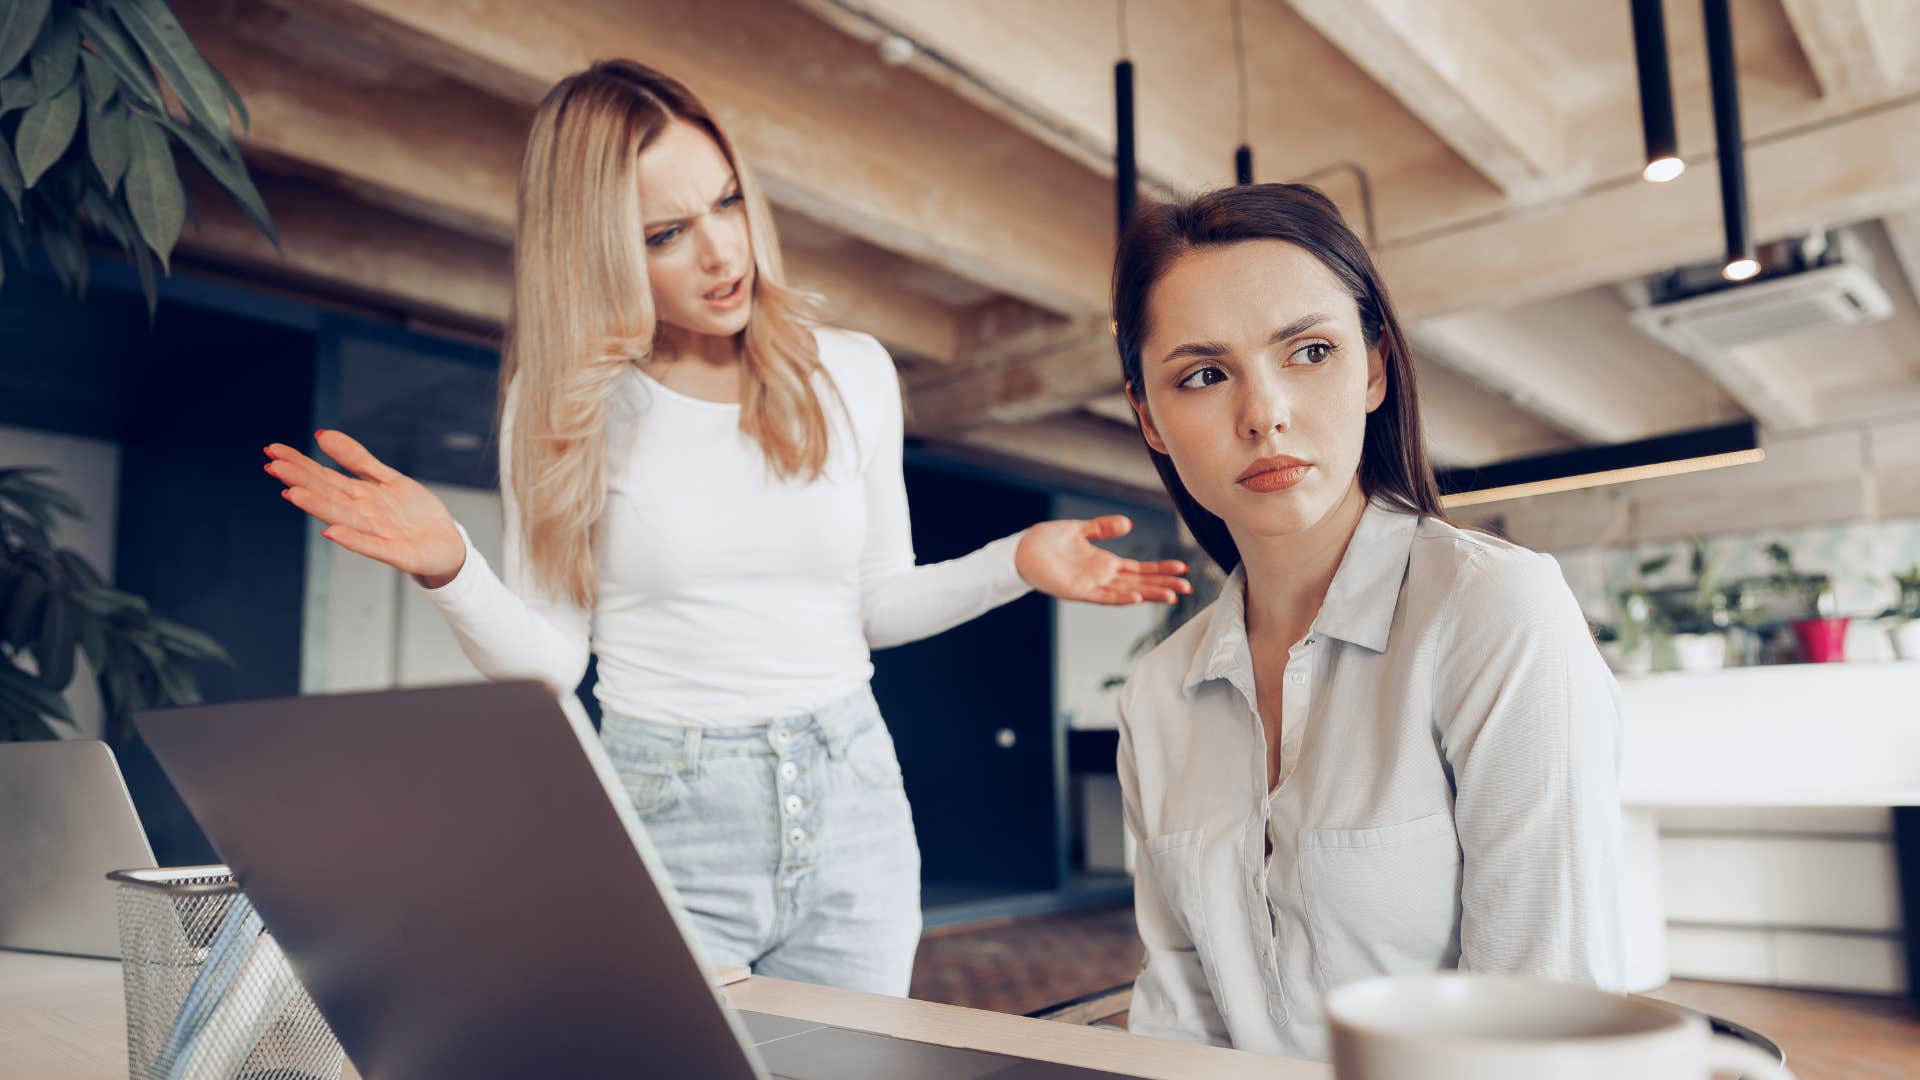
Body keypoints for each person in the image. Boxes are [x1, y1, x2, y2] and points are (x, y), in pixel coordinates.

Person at [263, 60, 1190, 997]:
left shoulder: (853, 372)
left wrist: (1017, 563)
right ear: (596, 253)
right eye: (666, 233)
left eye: (728, 202)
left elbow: (870, 608)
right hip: (668, 815)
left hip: (853, 804)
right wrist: (452, 568)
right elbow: (551, 663)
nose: (720, 253)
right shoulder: (560, 411)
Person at [1110, 183, 1626, 1060]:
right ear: (1149, 419)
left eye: (1308, 351)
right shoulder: (1159, 695)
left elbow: (1543, 1011)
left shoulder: (1492, 610)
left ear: (1375, 367)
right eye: (1203, 375)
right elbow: (1179, 1026)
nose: (1263, 412)